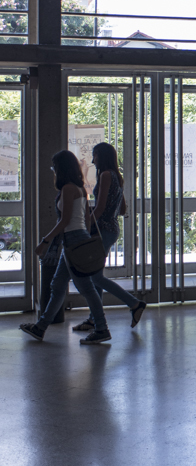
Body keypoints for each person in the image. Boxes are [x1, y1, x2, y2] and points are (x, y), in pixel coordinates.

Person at [20, 150, 111, 345]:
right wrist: (84, 238)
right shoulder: (80, 189)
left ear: (61, 168)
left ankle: (102, 328)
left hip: (72, 240)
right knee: (58, 285)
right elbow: (86, 218)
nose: (53, 170)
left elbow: (65, 220)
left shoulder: (69, 189)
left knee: (86, 288)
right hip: (78, 239)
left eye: (54, 167)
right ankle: (40, 327)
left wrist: (45, 241)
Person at [72, 142, 146, 335]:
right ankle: (94, 318)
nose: (92, 160)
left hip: (102, 230)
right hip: (110, 229)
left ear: (101, 156)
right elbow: (121, 208)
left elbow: (101, 207)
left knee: (95, 276)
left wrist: (85, 228)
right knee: (96, 276)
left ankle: (134, 304)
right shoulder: (115, 176)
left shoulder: (105, 175)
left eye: (95, 155)